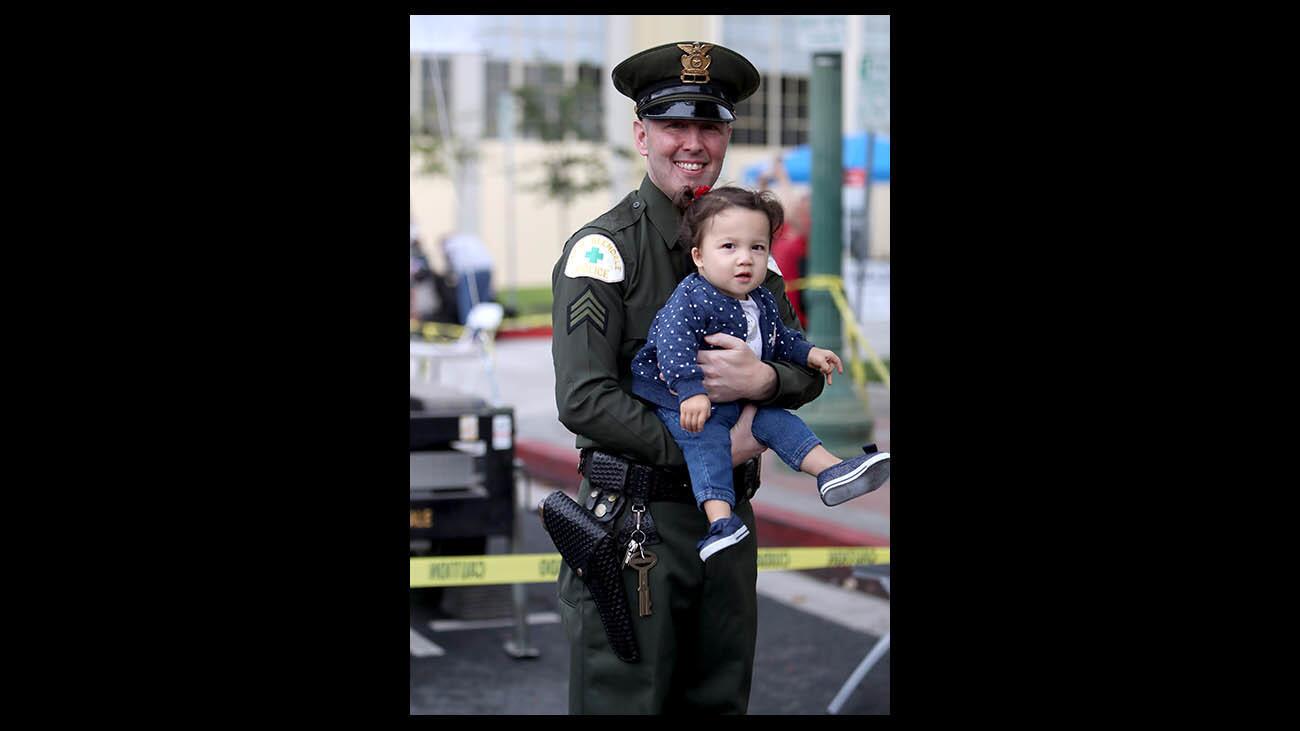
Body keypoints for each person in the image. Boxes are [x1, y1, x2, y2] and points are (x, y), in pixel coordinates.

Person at [550, 41, 824, 715]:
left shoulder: (750, 249)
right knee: (628, 703)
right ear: (642, 134)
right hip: (638, 529)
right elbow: (584, 398)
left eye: (710, 125)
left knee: (720, 699)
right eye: (675, 125)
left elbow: (800, 367)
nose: (693, 142)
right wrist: (703, 448)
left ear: (727, 135)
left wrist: (764, 382)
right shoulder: (606, 249)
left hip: (728, 527)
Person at [631, 186, 890, 561]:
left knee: (779, 421)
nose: (745, 259)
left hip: (739, 404)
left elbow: (780, 338)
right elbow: (672, 346)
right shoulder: (692, 297)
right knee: (707, 446)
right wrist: (691, 391)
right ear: (699, 257)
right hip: (685, 405)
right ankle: (719, 521)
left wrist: (810, 352)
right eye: (729, 247)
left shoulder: (761, 298)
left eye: (757, 247)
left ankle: (831, 470)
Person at [440, 231, 494, 324]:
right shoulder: (469, 239)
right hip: (486, 268)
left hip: (469, 271)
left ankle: (468, 326)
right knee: (483, 300)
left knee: (467, 300)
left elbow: (449, 263)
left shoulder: (450, 244)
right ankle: (486, 325)